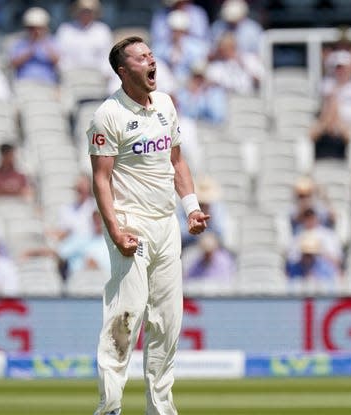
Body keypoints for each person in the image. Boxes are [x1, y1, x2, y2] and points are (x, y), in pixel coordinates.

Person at [87, 36, 209, 415]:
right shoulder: (108, 115)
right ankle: (110, 407)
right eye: (141, 58)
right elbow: (101, 179)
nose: (151, 61)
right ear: (123, 72)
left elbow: (177, 162)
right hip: (130, 225)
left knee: (168, 321)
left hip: (165, 224)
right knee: (125, 316)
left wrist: (190, 208)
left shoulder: (166, 105)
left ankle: (161, 409)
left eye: (151, 55)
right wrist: (115, 230)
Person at [55, 0, 113, 77]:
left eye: (89, 11)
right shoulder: (65, 30)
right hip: (71, 74)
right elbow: (60, 55)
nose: (86, 14)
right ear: (77, 12)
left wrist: (105, 74)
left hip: (96, 75)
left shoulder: (103, 30)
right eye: (83, 11)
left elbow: (106, 56)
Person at [9, 6, 61, 85]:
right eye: (32, 28)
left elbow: (57, 61)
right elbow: (13, 63)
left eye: (39, 28)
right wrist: (31, 47)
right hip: (24, 82)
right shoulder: (20, 42)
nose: (35, 31)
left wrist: (43, 41)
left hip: (47, 82)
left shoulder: (51, 41)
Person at [0, 143, 33, 213]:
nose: (13, 158)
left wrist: (1, 191)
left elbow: (27, 193)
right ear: (3, 155)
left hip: (18, 211)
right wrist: (14, 191)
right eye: (11, 155)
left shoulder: (20, 175)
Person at [309, 94, 351, 162]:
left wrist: (337, 122)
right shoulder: (317, 126)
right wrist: (325, 122)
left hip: (339, 165)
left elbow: (350, 138)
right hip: (321, 164)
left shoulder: (343, 127)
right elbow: (309, 137)